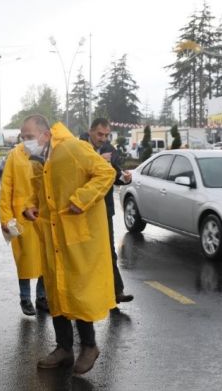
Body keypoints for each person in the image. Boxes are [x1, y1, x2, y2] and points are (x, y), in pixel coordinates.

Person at [21, 115, 115, 376]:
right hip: (53, 236)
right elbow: (37, 189)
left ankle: (89, 345)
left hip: (77, 234)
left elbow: (106, 173)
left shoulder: (73, 148)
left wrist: (80, 198)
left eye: (29, 137)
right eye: (23, 138)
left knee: (78, 290)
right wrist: (31, 206)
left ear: (45, 135)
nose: (25, 143)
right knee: (56, 291)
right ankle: (64, 347)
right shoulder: (40, 159)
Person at [80, 118, 134, 306]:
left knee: (108, 250)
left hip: (105, 208)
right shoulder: (78, 147)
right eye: (99, 134)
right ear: (90, 131)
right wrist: (97, 160)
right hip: (82, 208)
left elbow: (115, 174)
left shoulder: (110, 149)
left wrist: (124, 178)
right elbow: (75, 173)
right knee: (82, 252)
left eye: (106, 135)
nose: (103, 138)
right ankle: (80, 295)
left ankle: (116, 292)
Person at [0, 141, 48, 316]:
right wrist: (5, 218)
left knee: (45, 257)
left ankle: (42, 297)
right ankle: (25, 298)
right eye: (26, 134)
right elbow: (6, 188)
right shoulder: (15, 155)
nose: (30, 138)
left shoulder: (49, 152)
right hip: (20, 216)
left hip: (43, 213)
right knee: (24, 258)